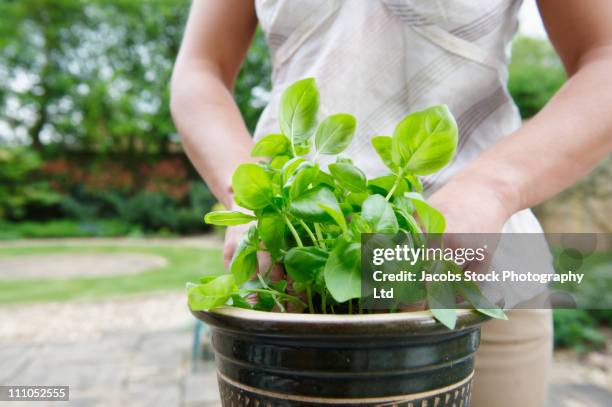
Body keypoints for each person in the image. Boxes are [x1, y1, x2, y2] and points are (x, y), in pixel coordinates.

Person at [170, 1, 612, 406]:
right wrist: (248, 194)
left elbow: (604, 55)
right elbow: (200, 67)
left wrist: (492, 186)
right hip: (290, 277)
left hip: (481, 273)